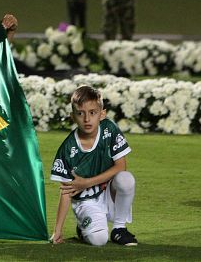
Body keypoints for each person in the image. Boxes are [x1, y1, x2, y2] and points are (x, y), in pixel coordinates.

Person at [50, 85, 137, 247]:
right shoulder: (68, 149)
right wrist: (58, 230)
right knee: (99, 240)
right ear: (72, 116)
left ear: (102, 114)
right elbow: (66, 192)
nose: (87, 119)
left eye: (92, 112)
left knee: (126, 179)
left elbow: (121, 166)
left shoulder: (109, 129)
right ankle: (84, 227)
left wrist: (87, 182)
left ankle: (119, 229)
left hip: (108, 191)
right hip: (86, 200)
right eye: (80, 113)